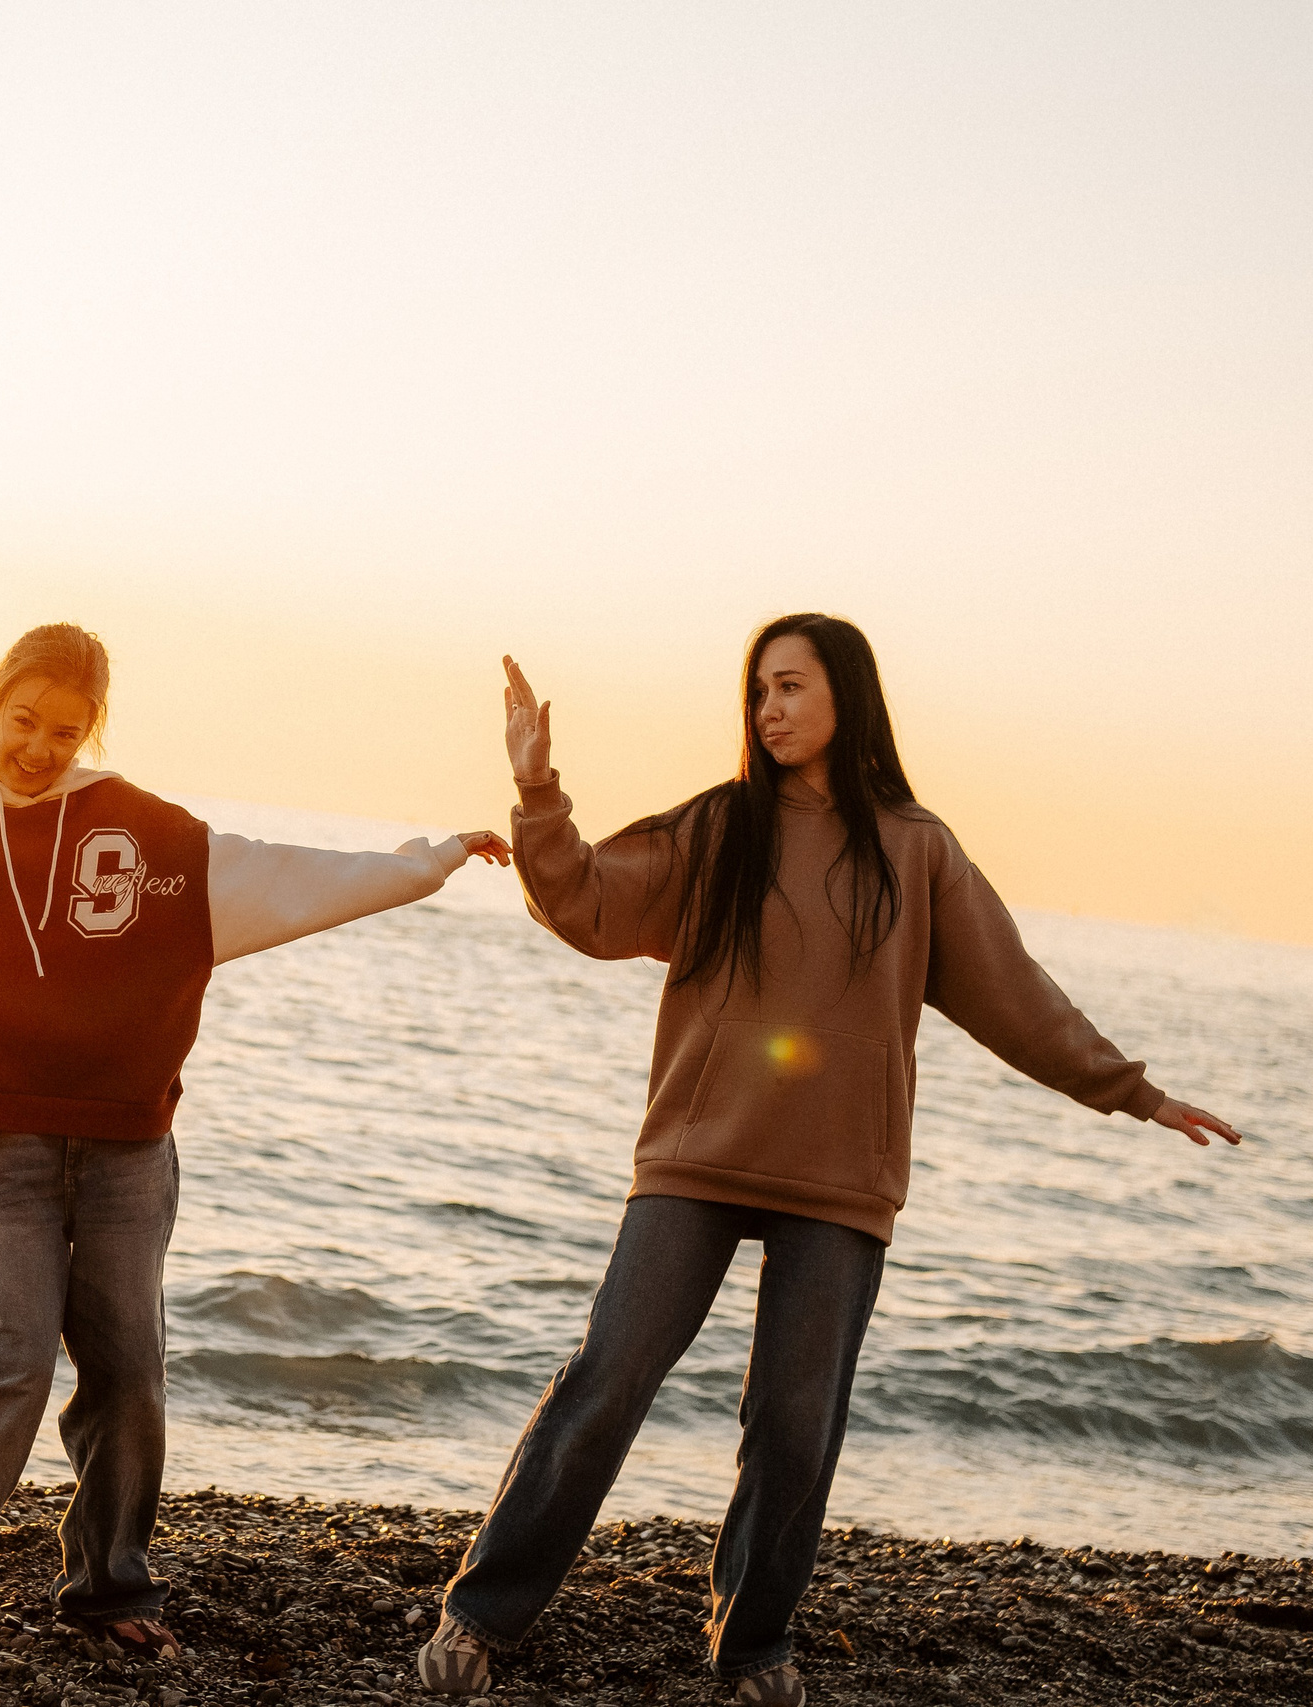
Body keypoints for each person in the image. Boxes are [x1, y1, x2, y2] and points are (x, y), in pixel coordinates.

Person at [416, 614, 1242, 1706]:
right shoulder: (720, 826)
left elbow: (1011, 990)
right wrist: (537, 792)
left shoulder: (916, 848)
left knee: (796, 1425)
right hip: (695, 1160)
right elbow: (589, 902)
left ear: (846, 696)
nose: (769, 710)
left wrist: (1130, 1091)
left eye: (791, 688)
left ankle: (752, 1645)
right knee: (605, 1382)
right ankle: (479, 1614)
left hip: (840, 1184)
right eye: (758, 691)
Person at [0, 596, 510, 1658]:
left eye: (64, 730)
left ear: (91, 727)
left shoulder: (144, 830)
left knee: (127, 1367)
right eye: (24, 720)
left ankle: (110, 1592)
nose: (38, 747)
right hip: (5, 1144)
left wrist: (426, 858)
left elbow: (286, 876)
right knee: (17, 1356)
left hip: (126, 1148)